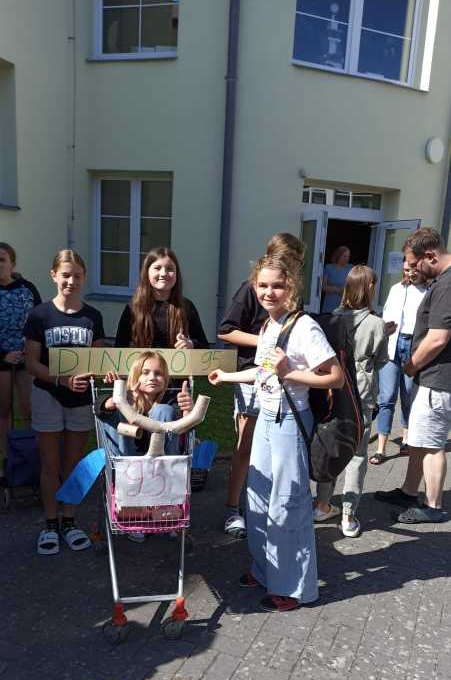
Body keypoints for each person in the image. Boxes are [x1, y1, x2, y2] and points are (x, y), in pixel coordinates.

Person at [209, 253, 343, 612]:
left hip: (290, 423)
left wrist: (290, 373)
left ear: (291, 287)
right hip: (267, 419)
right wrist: (227, 377)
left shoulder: (304, 327)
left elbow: (335, 377)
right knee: (257, 498)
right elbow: (263, 372)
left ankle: (294, 588)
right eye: (263, 285)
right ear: (254, 287)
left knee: (287, 504)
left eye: (277, 286)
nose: (269, 292)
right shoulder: (268, 326)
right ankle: (264, 569)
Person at [217, 233, 305, 537]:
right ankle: (232, 509)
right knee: (246, 447)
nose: (298, 266)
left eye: (299, 263)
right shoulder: (251, 288)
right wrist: (266, 340)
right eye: (295, 260)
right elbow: (226, 331)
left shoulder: (292, 294)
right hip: (250, 376)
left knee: (275, 450)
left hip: (282, 381)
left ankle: (266, 509)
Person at [24, 249, 104, 556]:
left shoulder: (92, 316)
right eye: (66, 275)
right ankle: (50, 523)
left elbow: (97, 360)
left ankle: (69, 521)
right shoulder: (40, 315)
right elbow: (31, 363)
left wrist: (101, 371)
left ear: (84, 278)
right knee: (50, 465)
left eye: (77, 276)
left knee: (73, 465)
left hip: (80, 399)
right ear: (54, 275)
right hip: (48, 395)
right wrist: (60, 380)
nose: (71, 281)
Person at [375, 228, 451, 523]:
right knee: (419, 438)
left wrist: (411, 366)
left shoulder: (446, 285)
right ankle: (408, 491)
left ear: (430, 256)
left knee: (431, 445)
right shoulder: (441, 281)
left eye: (415, 263)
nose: (413, 270)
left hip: (436, 378)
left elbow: (437, 338)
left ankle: (433, 506)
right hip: (430, 376)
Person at [315, 266, 388, 536]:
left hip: (334, 391)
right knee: (357, 455)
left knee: (332, 447)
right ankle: (348, 515)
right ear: (369, 288)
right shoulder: (376, 323)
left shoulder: (331, 319)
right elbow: (380, 361)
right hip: (362, 394)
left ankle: (322, 505)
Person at [96, 350, 192, 541]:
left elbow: (185, 428)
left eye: (158, 373)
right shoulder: (125, 396)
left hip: (160, 469)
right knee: (119, 412)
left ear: (166, 379)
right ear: (135, 376)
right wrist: (111, 402)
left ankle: (165, 503)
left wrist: (187, 411)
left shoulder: (170, 403)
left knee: (164, 411)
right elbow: (99, 407)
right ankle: (132, 504)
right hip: (128, 469)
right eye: (145, 372)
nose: (152, 377)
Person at [370, 257, 429, 464]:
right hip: (392, 345)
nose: (409, 274)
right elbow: (386, 315)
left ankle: (406, 439)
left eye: (413, 270)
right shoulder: (396, 289)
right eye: (405, 270)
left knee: (408, 396)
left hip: (414, 346)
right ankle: (381, 449)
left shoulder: (429, 291)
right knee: (386, 398)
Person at [115, 247, 208, 354]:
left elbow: (205, 348)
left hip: (175, 365)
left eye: (170, 269)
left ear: (177, 274)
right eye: (157, 268)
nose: (163, 273)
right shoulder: (133, 308)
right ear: (147, 272)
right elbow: (119, 349)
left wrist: (191, 344)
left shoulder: (186, 307)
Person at [0, 242, 41, 477]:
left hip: (26, 359)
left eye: (2, 260)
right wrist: (3, 354)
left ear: (12, 264)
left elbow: (39, 322)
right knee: (3, 409)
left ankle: (30, 456)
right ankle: (7, 460)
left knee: (29, 408)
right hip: (1, 360)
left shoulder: (28, 289)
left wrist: (29, 350)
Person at [321, 245, 353, 313]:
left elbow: (355, 286)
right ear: (338, 256)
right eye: (344, 256)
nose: (347, 258)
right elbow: (323, 286)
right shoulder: (329, 267)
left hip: (344, 304)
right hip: (330, 303)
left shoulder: (351, 268)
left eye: (348, 256)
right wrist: (337, 290)